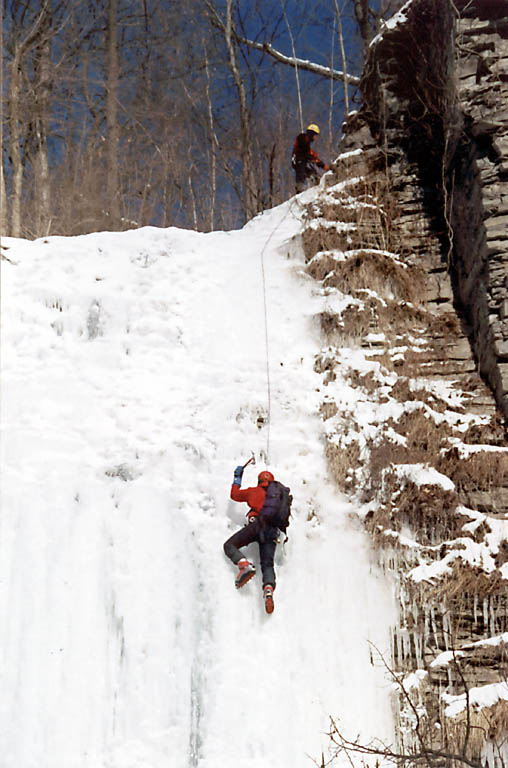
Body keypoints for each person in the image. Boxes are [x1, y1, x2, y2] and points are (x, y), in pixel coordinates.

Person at [223, 466, 290, 615]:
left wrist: (237, 477)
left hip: (257, 525)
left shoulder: (254, 491)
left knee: (229, 545)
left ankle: (243, 564)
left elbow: (234, 495)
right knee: (267, 564)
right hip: (272, 531)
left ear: (259, 481)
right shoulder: (279, 497)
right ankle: (268, 590)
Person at [291, 123, 330, 193]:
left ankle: (318, 187)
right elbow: (306, 152)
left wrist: (321, 164)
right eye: (315, 135)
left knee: (313, 173)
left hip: (303, 161)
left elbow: (310, 155)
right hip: (298, 161)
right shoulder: (302, 138)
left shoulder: (307, 144)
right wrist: (321, 163)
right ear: (311, 133)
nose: (315, 138)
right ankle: (299, 190)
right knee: (301, 172)